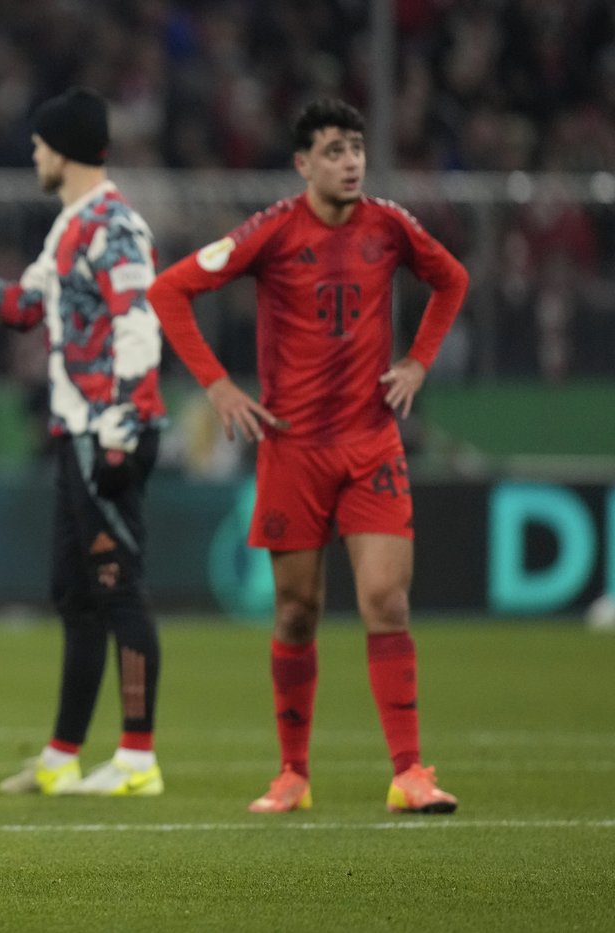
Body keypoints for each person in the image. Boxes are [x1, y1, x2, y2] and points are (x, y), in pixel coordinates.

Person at [146, 98, 469, 815]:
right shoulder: (269, 231)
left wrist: (418, 361)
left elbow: (453, 280)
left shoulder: (389, 226)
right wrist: (219, 386)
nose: (350, 161)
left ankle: (410, 772)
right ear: (302, 164)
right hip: (292, 448)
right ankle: (293, 774)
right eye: (332, 150)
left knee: (386, 599)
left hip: (369, 441)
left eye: (356, 147)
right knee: (297, 611)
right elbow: (169, 290)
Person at [0, 87, 168, 797]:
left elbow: (138, 322)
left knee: (116, 587)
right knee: (74, 591)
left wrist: (126, 418)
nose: (33, 154)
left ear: (62, 148)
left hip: (108, 430)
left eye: (40, 144)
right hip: (78, 431)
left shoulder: (115, 227)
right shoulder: (72, 227)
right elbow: (25, 306)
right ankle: (63, 754)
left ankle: (137, 757)